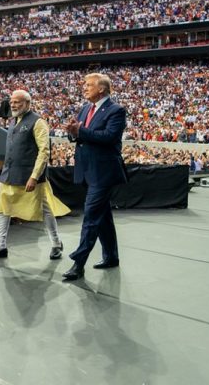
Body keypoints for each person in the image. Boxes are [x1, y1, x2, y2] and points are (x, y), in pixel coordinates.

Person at [0, 90, 68, 261]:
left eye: (17, 102)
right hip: (9, 174)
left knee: (45, 210)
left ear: (27, 103)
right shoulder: (13, 121)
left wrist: (34, 176)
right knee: (2, 209)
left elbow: (44, 151)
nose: (13, 105)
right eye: (11, 102)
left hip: (29, 176)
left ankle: (56, 243)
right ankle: (0, 246)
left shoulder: (38, 122)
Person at [62, 73, 128, 281]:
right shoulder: (85, 109)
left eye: (89, 85)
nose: (84, 88)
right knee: (103, 216)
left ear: (102, 88)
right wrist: (72, 132)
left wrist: (80, 132)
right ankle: (111, 257)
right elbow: (79, 136)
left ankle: (78, 263)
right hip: (87, 169)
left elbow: (109, 137)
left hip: (104, 172)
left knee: (91, 216)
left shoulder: (116, 110)